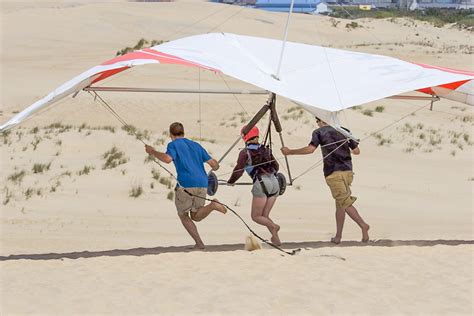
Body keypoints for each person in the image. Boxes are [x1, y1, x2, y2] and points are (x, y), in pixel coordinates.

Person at [281, 116, 370, 244]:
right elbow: (356, 151)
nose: (317, 124)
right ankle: (338, 237)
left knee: (344, 202)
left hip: (334, 172)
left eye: (317, 121)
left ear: (323, 120)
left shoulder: (319, 132)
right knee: (340, 204)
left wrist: (290, 152)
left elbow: (310, 149)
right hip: (348, 171)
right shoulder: (344, 130)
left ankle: (363, 225)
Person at [145, 122, 227, 249]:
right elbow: (214, 165)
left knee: (183, 214)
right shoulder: (196, 145)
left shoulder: (173, 144)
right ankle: (212, 205)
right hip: (203, 183)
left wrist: (152, 152)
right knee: (195, 215)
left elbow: (167, 159)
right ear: (183, 133)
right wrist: (216, 165)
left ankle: (199, 243)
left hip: (186, 184)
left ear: (171, 134)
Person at [227, 125, 282, 246]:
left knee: (256, 216)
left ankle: (274, 227)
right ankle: (276, 239)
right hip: (275, 182)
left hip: (262, 183)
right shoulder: (266, 149)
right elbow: (276, 167)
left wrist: (231, 181)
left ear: (245, 137)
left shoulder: (245, 152)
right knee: (265, 216)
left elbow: (238, 170)